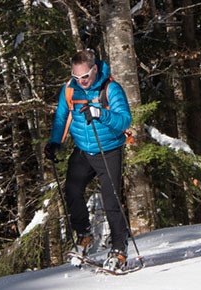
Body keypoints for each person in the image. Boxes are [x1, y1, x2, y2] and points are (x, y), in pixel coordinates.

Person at [44, 49, 136, 268]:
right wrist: (55, 141)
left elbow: (124, 120)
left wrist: (100, 113)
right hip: (84, 150)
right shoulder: (69, 89)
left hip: (109, 150)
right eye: (77, 77)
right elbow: (61, 116)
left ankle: (119, 249)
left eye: (85, 76)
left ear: (94, 69)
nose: (82, 81)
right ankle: (84, 235)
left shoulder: (110, 88)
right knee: (72, 191)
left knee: (111, 200)